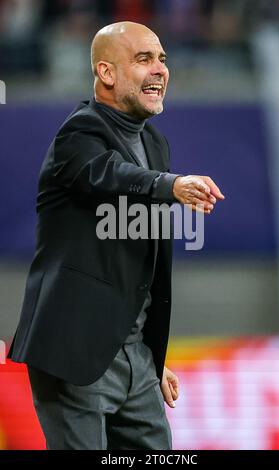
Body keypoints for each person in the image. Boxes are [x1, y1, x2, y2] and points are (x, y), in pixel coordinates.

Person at [7, 21, 225, 450]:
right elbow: (108, 174)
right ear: (106, 73)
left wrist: (149, 357)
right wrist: (169, 185)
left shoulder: (156, 144)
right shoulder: (79, 132)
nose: (160, 69)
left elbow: (140, 266)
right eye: (144, 59)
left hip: (135, 361)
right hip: (73, 353)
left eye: (162, 58)